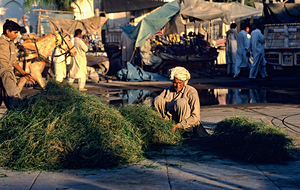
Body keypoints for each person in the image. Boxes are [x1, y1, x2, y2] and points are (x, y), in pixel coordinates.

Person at [153, 67, 208, 137]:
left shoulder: (191, 92)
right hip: (169, 122)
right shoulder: (168, 90)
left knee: (181, 102)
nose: (177, 85)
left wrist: (178, 126)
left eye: (180, 83)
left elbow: (196, 117)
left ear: (184, 82)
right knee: (157, 99)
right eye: (175, 83)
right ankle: (163, 127)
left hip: (184, 125)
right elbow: (156, 105)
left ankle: (185, 133)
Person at [0, 20, 35, 109]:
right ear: (7, 31)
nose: (17, 35)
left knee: (12, 106)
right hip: (4, 75)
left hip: (8, 76)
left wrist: (24, 74)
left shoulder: (11, 43)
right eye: (15, 33)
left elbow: (14, 62)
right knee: (15, 98)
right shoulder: (1, 43)